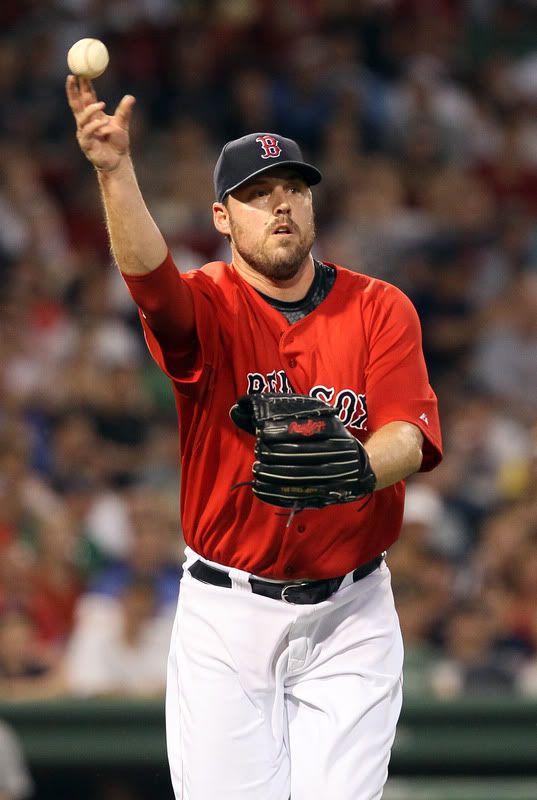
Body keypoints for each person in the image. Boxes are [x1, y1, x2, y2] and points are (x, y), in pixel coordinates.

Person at [66, 74, 442, 800]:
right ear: (221, 216)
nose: (280, 204)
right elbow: (150, 282)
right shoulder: (207, 303)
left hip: (351, 611)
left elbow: (410, 433)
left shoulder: (378, 306)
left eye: (294, 188)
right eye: (257, 192)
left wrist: (353, 470)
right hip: (226, 612)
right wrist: (115, 172)